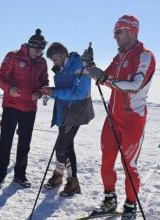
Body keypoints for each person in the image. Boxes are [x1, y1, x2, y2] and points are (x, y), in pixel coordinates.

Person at [85, 15, 156, 219]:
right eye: (114, 32)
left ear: (131, 31)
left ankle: (130, 206)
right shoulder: (119, 56)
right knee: (106, 162)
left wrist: (104, 78)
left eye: (118, 32)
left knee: (129, 165)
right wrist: (89, 64)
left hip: (133, 121)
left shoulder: (145, 56)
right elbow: (102, 77)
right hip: (112, 118)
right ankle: (109, 200)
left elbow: (134, 86)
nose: (114, 36)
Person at [0, 29, 49, 189]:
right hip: (11, 105)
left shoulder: (42, 62)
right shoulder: (13, 56)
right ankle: (0, 174)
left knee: (25, 143)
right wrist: (9, 89)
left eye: (41, 51)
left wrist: (39, 93)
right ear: (29, 46)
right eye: (36, 50)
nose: (38, 53)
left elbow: (44, 82)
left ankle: (20, 174)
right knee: (6, 141)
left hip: (30, 108)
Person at [42, 42, 94, 197]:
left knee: (61, 146)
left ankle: (71, 180)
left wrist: (54, 92)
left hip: (76, 111)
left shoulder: (79, 64)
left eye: (56, 59)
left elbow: (80, 92)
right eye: (52, 61)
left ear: (64, 54)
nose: (55, 63)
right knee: (67, 146)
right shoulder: (62, 67)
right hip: (63, 111)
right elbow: (63, 86)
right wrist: (50, 90)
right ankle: (64, 178)